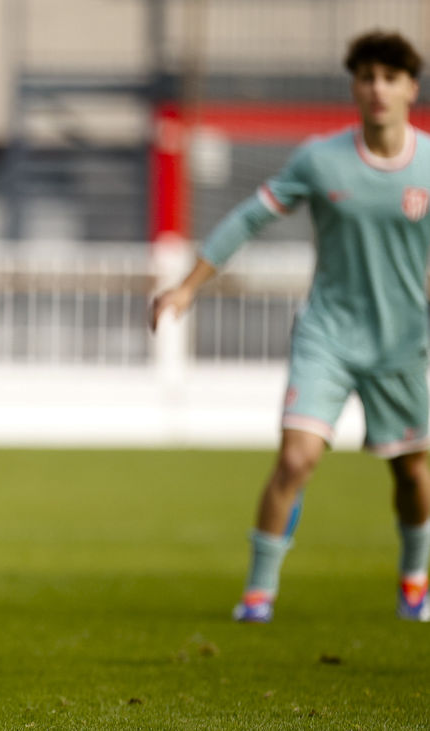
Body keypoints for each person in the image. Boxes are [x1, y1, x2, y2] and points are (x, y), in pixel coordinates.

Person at [151, 30, 430, 624]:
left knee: (412, 473)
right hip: (327, 335)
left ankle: (414, 577)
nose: (378, 88)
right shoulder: (321, 158)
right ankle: (258, 594)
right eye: (367, 76)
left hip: (404, 343)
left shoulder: (429, 164)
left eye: (390, 76)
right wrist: (186, 286)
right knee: (297, 458)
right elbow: (250, 217)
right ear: (354, 86)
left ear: (411, 87)